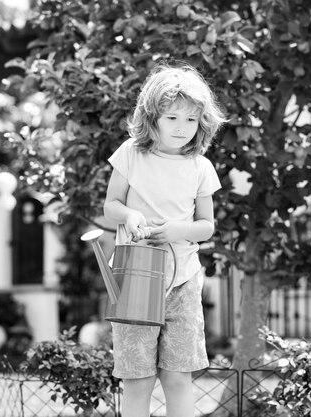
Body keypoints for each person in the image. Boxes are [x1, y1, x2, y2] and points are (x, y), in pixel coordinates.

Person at [102, 62, 226, 417]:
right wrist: (130, 215)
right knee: (138, 380)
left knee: (177, 378)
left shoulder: (200, 166)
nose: (181, 128)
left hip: (183, 282)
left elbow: (206, 226)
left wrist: (178, 231)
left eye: (191, 120)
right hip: (134, 277)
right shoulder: (131, 153)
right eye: (172, 118)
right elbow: (111, 206)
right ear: (152, 116)